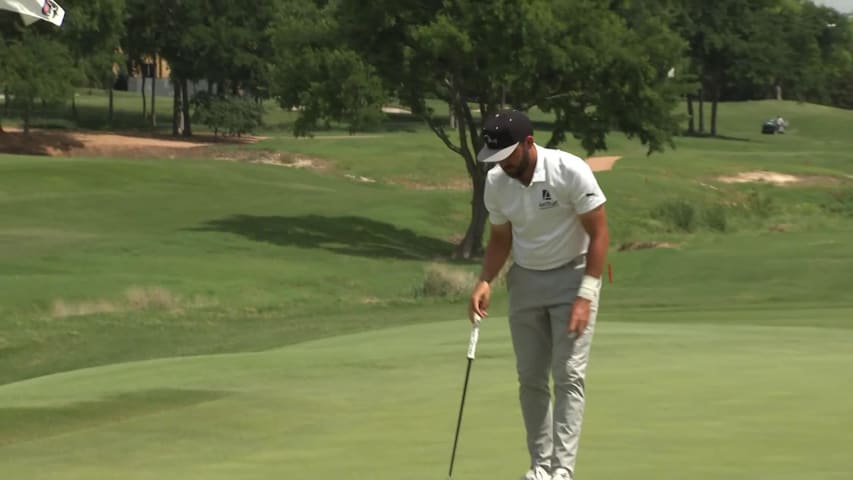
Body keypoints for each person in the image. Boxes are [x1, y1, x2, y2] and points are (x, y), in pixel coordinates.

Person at [468, 110, 609, 480]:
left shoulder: (570, 170)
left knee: (568, 375)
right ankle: (541, 467)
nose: (501, 165)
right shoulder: (497, 183)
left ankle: (562, 470)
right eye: (494, 158)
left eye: (507, 156)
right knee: (530, 376)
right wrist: (485, 280)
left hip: (573, 277)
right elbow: (501, 239)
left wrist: (586, 294)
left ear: (529, 143)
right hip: (525, 280)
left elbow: (600, 234)